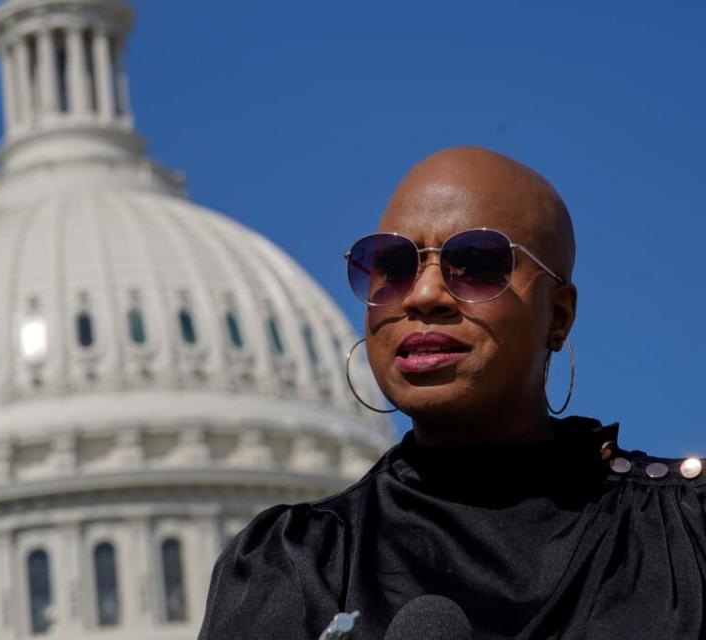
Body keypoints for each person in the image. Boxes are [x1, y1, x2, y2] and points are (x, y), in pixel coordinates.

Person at [198, 147, 706, 639]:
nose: (424, 295)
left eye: (477, 263)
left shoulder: (682, 536)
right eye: (393, 267)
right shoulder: (297, 564)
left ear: (559, 314)